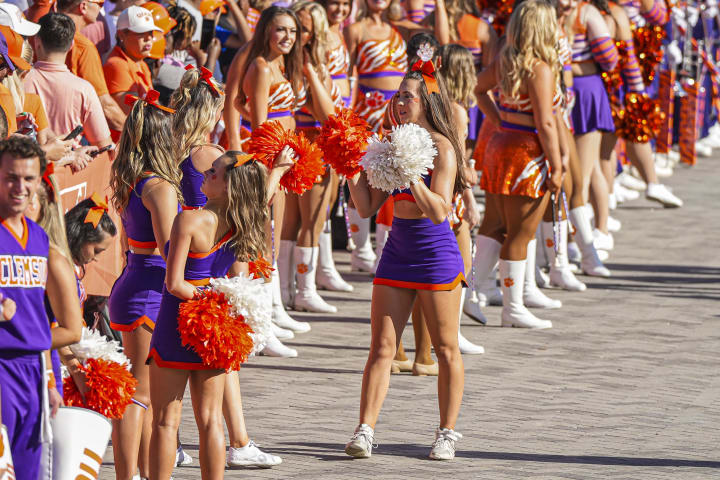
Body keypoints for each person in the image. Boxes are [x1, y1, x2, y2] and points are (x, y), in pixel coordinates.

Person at [344, 62, 467, 460]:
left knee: (446, 349)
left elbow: (439, 211)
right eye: (397, 95)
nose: (399, 102)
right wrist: (350, 169)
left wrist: (412, 174)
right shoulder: (387, 140)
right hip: (397, 251)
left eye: (407, 96)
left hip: (435, 253)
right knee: (381, 348)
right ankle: (364, 431)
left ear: (426, 101)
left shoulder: (442, 147)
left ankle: (447, 433)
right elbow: (366, 208)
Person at [148, 149, 293, 479]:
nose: (205, 176)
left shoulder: (188, 220)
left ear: (229, 186)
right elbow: (237, 283)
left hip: (176, 324)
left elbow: (173, 283)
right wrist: (216, 306)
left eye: (213, 173)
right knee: (211, 420)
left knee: (165, 421)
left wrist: (202, 300)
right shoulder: (243, 225)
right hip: (215, 331)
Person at [170, 66, 283, 468]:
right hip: (207, 255)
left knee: (174, 377)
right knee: (219, 355)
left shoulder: (170, 147)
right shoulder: (211, 156)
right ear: (212, 112)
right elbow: (245, 203)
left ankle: (201, 444)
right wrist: (279, 173)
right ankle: (239, 442)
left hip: (178, 249)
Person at [475, 0, 564, 328]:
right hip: (527, 151)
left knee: (493, 226)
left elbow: (476, 88)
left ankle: (470, 294)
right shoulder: (539, 68)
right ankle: (512, 309)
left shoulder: (505, 61)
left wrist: (500, 119)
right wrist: (557, 165)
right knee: (520, 234)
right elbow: (546, 123)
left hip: (501, 145)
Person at [108, 89, 180, 480]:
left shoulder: (133, 180)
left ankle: (137, 474)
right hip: (150, 293)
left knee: (140, 392)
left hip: (133, 284)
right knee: (140, 395)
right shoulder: (160, 188)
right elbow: (173, 255)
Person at [241, 6, 309, 353]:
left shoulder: (280, 65)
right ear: (267, 30)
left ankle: (271, 313)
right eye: (281, 30)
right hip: (271, 160)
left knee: (273, 237)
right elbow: (259, 124)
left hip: (284, 158)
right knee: (265, 240)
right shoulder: (261, 67)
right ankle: (261, 328)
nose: (288, 37)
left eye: (293, 32)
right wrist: (273, 165)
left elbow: (241, 104)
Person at [0, 136, 67, 480]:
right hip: (1, 367)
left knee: (30, 472)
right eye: (11, 177)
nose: (20, 187)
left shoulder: (39, 239)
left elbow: (44, 321)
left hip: (34, 372)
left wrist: (51, 380)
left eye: (28, 178)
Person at [279, 0, 344, 314]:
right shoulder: (304, 64)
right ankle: (303, 290)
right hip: (310, 142)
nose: (299, 34)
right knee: (311, 221)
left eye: (304, 29)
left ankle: (289, 291)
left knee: (294, 222)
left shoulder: (302, 62)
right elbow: (327, 111)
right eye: (297, 28)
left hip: (303, 142)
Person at [344, 0, 408, 273]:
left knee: (390, 177)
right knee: (362, 178)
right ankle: (360, 249)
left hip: (397, 112)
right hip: (367, 111)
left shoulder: (399, 28)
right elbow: (347, 75)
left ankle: (379, 246)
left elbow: (439, 36)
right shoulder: (355, 29)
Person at [566, 0, 617, 277]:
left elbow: (610, 57)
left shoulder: (578, 11)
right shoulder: (585, 11)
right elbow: (609, 58)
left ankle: (590, 237)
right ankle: (587, 238)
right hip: (584, 87)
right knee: (585, 172)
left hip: (576, 90)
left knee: (584, 171)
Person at [24, 13, 113, 152]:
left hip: (24, 166)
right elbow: (104, 145)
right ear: (71, 45)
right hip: (70, 168)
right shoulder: (84, 89)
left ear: (37, 41)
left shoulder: (19, 81)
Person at [57, 0, 127, 132]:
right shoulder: (84, 47)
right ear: (83, 6)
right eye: (99, 4)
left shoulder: (40, 32)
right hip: (72, 135)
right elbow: (104, 104)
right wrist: (137, 134)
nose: (101, 9)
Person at [103, 5, 162, 141]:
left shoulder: (141, 63)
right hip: (125, 146)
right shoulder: (117, 65)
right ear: (121, 34)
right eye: (141, 33)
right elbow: (132, 116)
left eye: (151, 33)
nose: (148, 38)